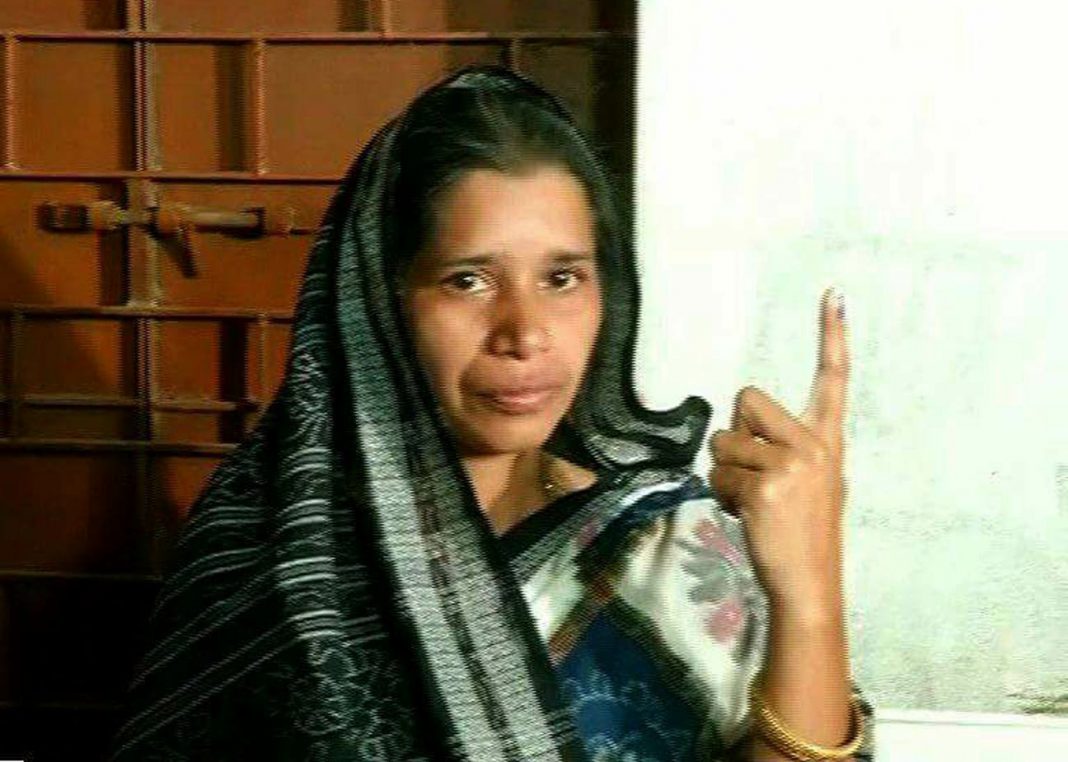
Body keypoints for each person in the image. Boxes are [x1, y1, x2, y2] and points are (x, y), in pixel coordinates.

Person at [104, 64, 875, 761]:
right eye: (468, 280)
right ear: (380, 303)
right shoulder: (273, 562)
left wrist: (809, 593)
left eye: (562, 278)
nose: (525, 334)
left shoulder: (666, 549)